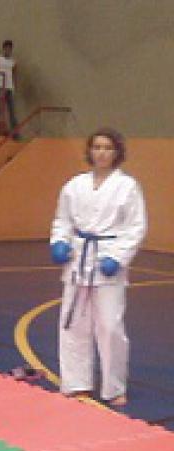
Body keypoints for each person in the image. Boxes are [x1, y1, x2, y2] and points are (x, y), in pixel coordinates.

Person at [50, 127, 147, 408]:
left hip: (107, 261)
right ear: (90, 151)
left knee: (110, 326)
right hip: (78, 260)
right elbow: (62, 220)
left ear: (117, 152)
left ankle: (114, 387)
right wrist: (59, 242)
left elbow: (136, 227)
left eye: (107, 148)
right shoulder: (74, 185)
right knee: (73, 324)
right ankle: (75, 382)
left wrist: (117, 257)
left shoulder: (127, 186)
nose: (101, 153)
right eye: (97, 147)